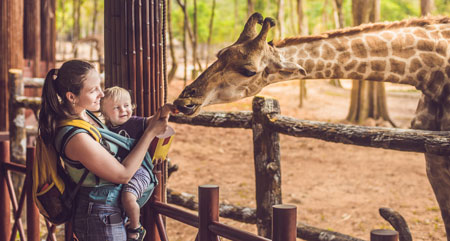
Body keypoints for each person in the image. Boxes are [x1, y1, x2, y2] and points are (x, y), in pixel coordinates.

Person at [38, 60, 175, 241]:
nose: (101, 94)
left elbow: (128, 124)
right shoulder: (75, 136)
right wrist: (150, 134)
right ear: (71, 97)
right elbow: (122, 174)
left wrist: (162, 114)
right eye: (93, 90)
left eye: (100, 86)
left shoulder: (86, 115)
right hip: (99, 216)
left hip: (110, 210)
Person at [100, 86, 169, 240]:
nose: (123, 110)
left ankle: (135, 227)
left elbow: (154, 120)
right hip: (121, 171)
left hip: (139, 170)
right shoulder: (105, 130)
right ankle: (125, 222)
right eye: (116, 108)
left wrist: (166, 110)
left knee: (128, 197)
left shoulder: (134, 123)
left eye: (127, 105)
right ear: (104, 113)